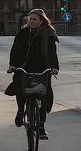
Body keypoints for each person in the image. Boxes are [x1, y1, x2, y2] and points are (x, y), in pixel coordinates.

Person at [7, 8, 59, 139]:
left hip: (42, 67)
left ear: (41, 21)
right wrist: (13, 65)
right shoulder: (23, 33)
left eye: (34, 19)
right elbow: (16, 50)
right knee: (20, 87)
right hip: (25, 66)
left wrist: (54, 67)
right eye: (30, 19)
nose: (31, 21)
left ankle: (41, 127)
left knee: (43, 95)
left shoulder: (49, 34)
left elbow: (52, 52)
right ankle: (20, 110)